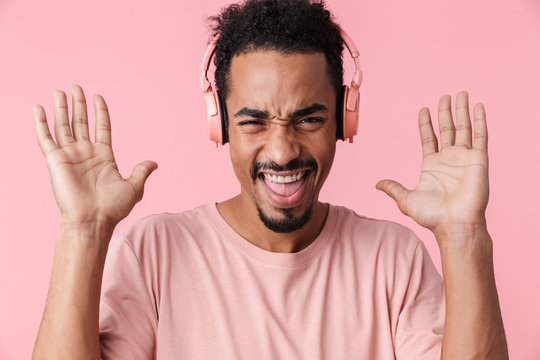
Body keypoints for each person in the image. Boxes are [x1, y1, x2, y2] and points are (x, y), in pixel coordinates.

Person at [31, 0, 508, 359]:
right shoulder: (153, 253)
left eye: (309, 119)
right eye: (254, 122)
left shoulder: (394, 259)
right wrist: (84, 231)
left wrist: (464, 235)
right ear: (219, 124)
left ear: (344, 120)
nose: (282, 151)